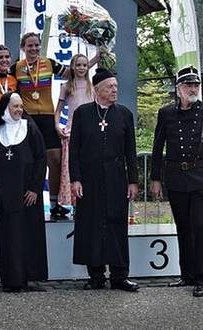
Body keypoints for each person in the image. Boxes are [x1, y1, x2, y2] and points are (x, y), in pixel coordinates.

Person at [150, 65, 203, 298]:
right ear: (178, 88)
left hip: (202, 178)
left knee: (201, 228)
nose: (193, 89)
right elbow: (157, 148)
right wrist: (155, 179)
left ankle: (202, 278)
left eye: (196, 85)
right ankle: (187, 275)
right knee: (183, 227)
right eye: (188, 85)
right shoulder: (166, 113)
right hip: (176, 180)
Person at [10, 32, 98, 220]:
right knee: (29, 161)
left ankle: (55, 203)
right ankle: (25, 201)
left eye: (36, 45)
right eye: (29, 46)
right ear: (23, 48)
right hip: (28, 118)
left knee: (56, 160)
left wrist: (96, 59)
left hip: (48, 117)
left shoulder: (49, 63)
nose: (33, 49)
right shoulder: (16, 68)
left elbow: (73, 72)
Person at [69, 68, 139, 292]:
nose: (115, 90)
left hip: (116, 177)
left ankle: (120, 276)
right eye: (110, 87)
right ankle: (96, 275)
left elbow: (131, 151)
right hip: (89, 179)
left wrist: (133, 181)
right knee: (91, 224)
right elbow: (74, 150)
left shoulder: (124, 114)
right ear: (98, 90)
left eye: (116, 87)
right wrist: (75, 179)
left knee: (116, 224)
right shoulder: (82, 113)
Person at [0, 92, 48, 292]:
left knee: (28, 235)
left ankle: (30, 278)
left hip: (27, 194)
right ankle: (12, 280)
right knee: (8, 237)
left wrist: (35, 188)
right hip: (4, 195)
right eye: (15, 106)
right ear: (6, 108)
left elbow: (41, 158)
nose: (19, 110)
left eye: (21, 106)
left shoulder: (30, 128)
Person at [54, 53, 95, 208]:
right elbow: (57, 110)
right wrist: (57, 125)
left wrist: (100, 55)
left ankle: (89, 198)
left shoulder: (93, 86)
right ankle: (72, 201)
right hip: (72, 130)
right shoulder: (66, 86)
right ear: (72, 66)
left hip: (90, 131)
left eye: (84, 65)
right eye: (78, 65)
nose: (82, 68)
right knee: (71, 167)